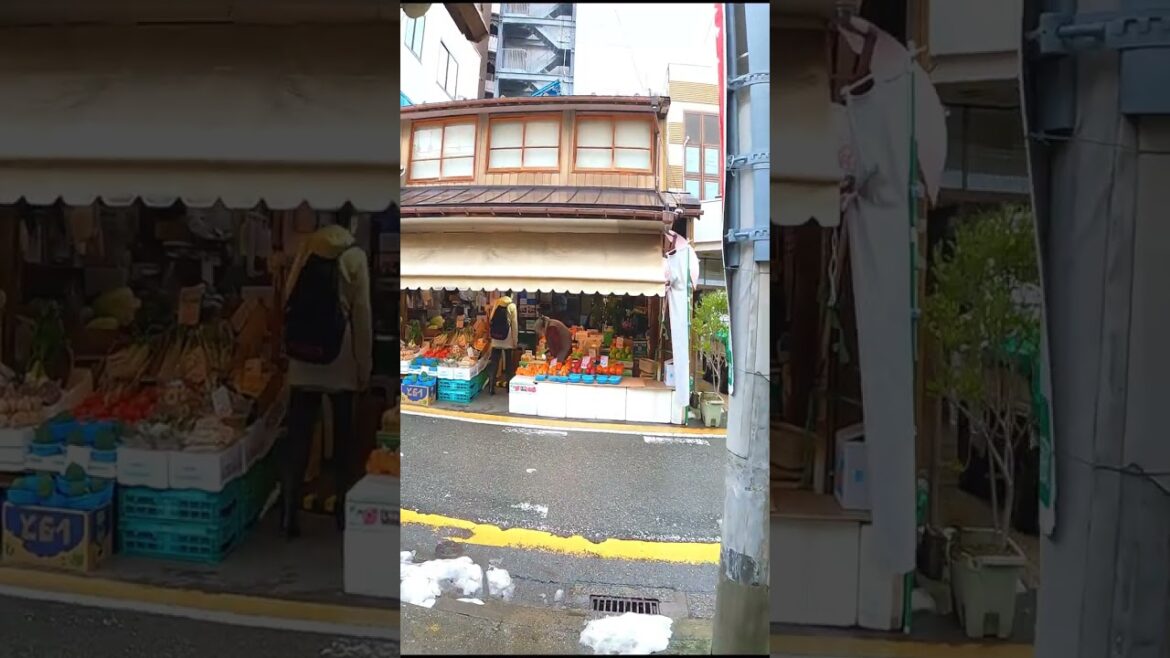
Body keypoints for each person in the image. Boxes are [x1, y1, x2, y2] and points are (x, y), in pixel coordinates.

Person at [280, 215, 372, 539]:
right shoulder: (355, 256)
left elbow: (288, 297)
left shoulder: (307, 247)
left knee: (299, 438)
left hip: (303, 357)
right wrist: (365, 366)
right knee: (344, 441)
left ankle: (289, 514)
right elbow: (361, 314)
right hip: (340, 355)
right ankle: (342, 517)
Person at [486, 293, 518, 394]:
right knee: (508, 363)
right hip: (507, 337)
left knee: (494, 362)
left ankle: (491, 387)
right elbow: (514, 324)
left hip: (496, 337)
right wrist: (515, 340)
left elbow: (491, 319)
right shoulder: (512, 306)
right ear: (511, 296)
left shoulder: (497, 303)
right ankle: (509, 387)